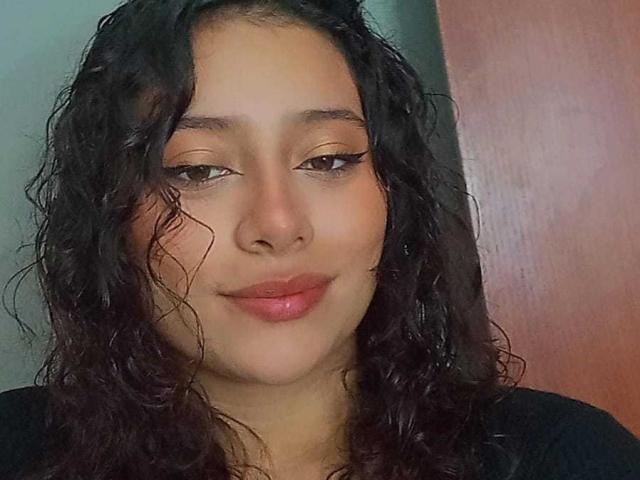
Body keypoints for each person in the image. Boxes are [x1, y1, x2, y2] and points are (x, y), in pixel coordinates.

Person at [1, 1, 639, 479]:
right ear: (109, 211)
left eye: (329, 159)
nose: (279, 225)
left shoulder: (566, 457)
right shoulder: (16, 450)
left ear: (392, 191)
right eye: (197, 169)